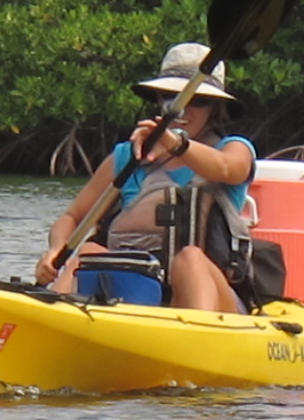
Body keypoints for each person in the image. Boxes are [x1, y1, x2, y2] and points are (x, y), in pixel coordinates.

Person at [36, 43, 258, 313]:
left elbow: (226, 168)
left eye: (198, 101)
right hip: (140, 292)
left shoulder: (233, 149)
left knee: (190, 259)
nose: (183, 109)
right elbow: (72, 218)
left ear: (215, 107)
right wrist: (56, 250)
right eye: (171, 96)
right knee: (88, 251)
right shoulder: (126, 157)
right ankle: (53, 319)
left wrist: (175, 143)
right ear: (159, 98)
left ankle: (194, 332)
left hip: (217, 300)